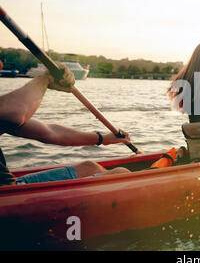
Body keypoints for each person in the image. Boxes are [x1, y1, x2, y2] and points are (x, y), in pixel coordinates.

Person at [0, 61, 131, 187]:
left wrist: (103, 138)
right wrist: (45, 79)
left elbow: (50, 132)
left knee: (89, 167)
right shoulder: (7, 113)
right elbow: (14, 114)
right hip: (6, 195)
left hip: (12, 185)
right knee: (122, 175)